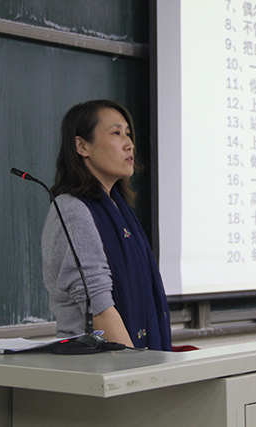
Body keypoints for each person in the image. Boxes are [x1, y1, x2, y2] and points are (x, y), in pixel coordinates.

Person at [41, 100, 172, 351]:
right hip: (95, 363)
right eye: (116, 133)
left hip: (125, 361)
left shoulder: (119, 210)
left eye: (128, 134)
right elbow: (99, 309)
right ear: (82, 146)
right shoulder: (72, 210)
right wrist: (141, 369)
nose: (129, 144)